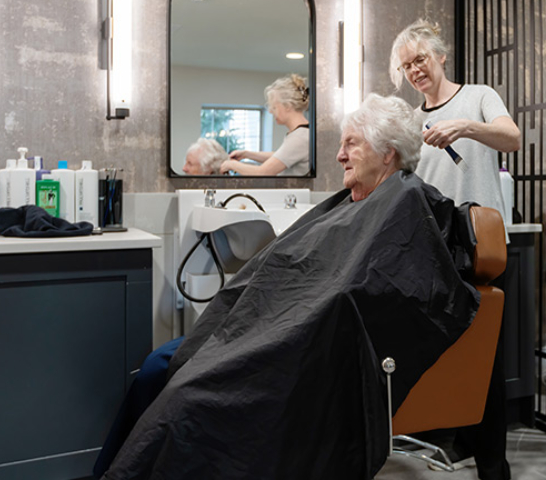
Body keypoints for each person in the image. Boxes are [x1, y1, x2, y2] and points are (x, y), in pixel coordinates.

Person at [97, 94, 482, 480]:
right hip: (269, 330)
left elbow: (356, 294)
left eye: (351, 144)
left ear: (387, 153)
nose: (339, 156)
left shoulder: (405, 201)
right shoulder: (352, 205)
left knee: (185, 395)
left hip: (296, 344)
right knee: (158, 367)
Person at [390, 19, 521, 480]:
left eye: (420, 59)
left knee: (485, 359)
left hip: (483, 248)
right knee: (449, 354)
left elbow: (512, 138)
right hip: (436, 253)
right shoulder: (411, 121)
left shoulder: (479, 97)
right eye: (407, 66)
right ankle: (464, 440)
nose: (415, 70)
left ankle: (493, 466)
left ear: (441, 56)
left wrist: (465, 127)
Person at [220, 74, 310, 176]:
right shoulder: (301, 133)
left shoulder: (299, 137)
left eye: (274, 107)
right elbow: (281, 157)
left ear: (288, 106)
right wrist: (247, 154)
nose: (271, 111)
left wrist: (231, 165)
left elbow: (263, 172)